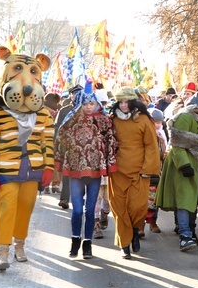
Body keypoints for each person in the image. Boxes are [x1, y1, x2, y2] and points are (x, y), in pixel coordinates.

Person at [0, 46, 55, 271]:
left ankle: (19, 245)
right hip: (6, 169)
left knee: (25, 208)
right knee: (6, 208)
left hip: (32, 168)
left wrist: (48, 167)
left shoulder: (42, 114)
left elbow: (47, 142)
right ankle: (3, 251)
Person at [55, 81, 118, 260]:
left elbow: (112, 142)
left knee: (90, 210)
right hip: (74, 169)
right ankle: (75, 240)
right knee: (76, 210)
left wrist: (109, 162)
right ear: (80, 103)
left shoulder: (104, 120)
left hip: (95, 171)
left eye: (92, 103)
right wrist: (63, 158)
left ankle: (88, 244)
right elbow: (59, 138)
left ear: (97, 103)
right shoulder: (71, 119)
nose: (89, 107)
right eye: (85, 104)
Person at [156, 89, 198, 251]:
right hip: (182, 165)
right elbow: (177, 143)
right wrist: (184, 165)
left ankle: (190, 230)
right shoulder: (185, 116)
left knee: (193, 200)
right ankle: (185, 235)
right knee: (185, 200)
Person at [107, 87, 161, 259]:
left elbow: (152, 146)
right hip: (117, 172)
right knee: (119, 209)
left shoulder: (144, 119)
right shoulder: (112, 119)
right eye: (120, 102)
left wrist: (148, 170)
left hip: (139, 172)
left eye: (126, 102)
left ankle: (136, 231)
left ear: (132, 102)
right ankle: (124, 244)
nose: (123, 105)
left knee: (138, 208)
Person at [54, 84, 82, 209]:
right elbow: (57, 129)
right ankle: (64, 199)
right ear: (70, 96)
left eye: (79, 94)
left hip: (83, 147)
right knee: (67, 174)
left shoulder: (87, 109)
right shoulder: (64, 110)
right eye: (74, 94)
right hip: (68, 146)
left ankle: (79, 200)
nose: (76, 97)